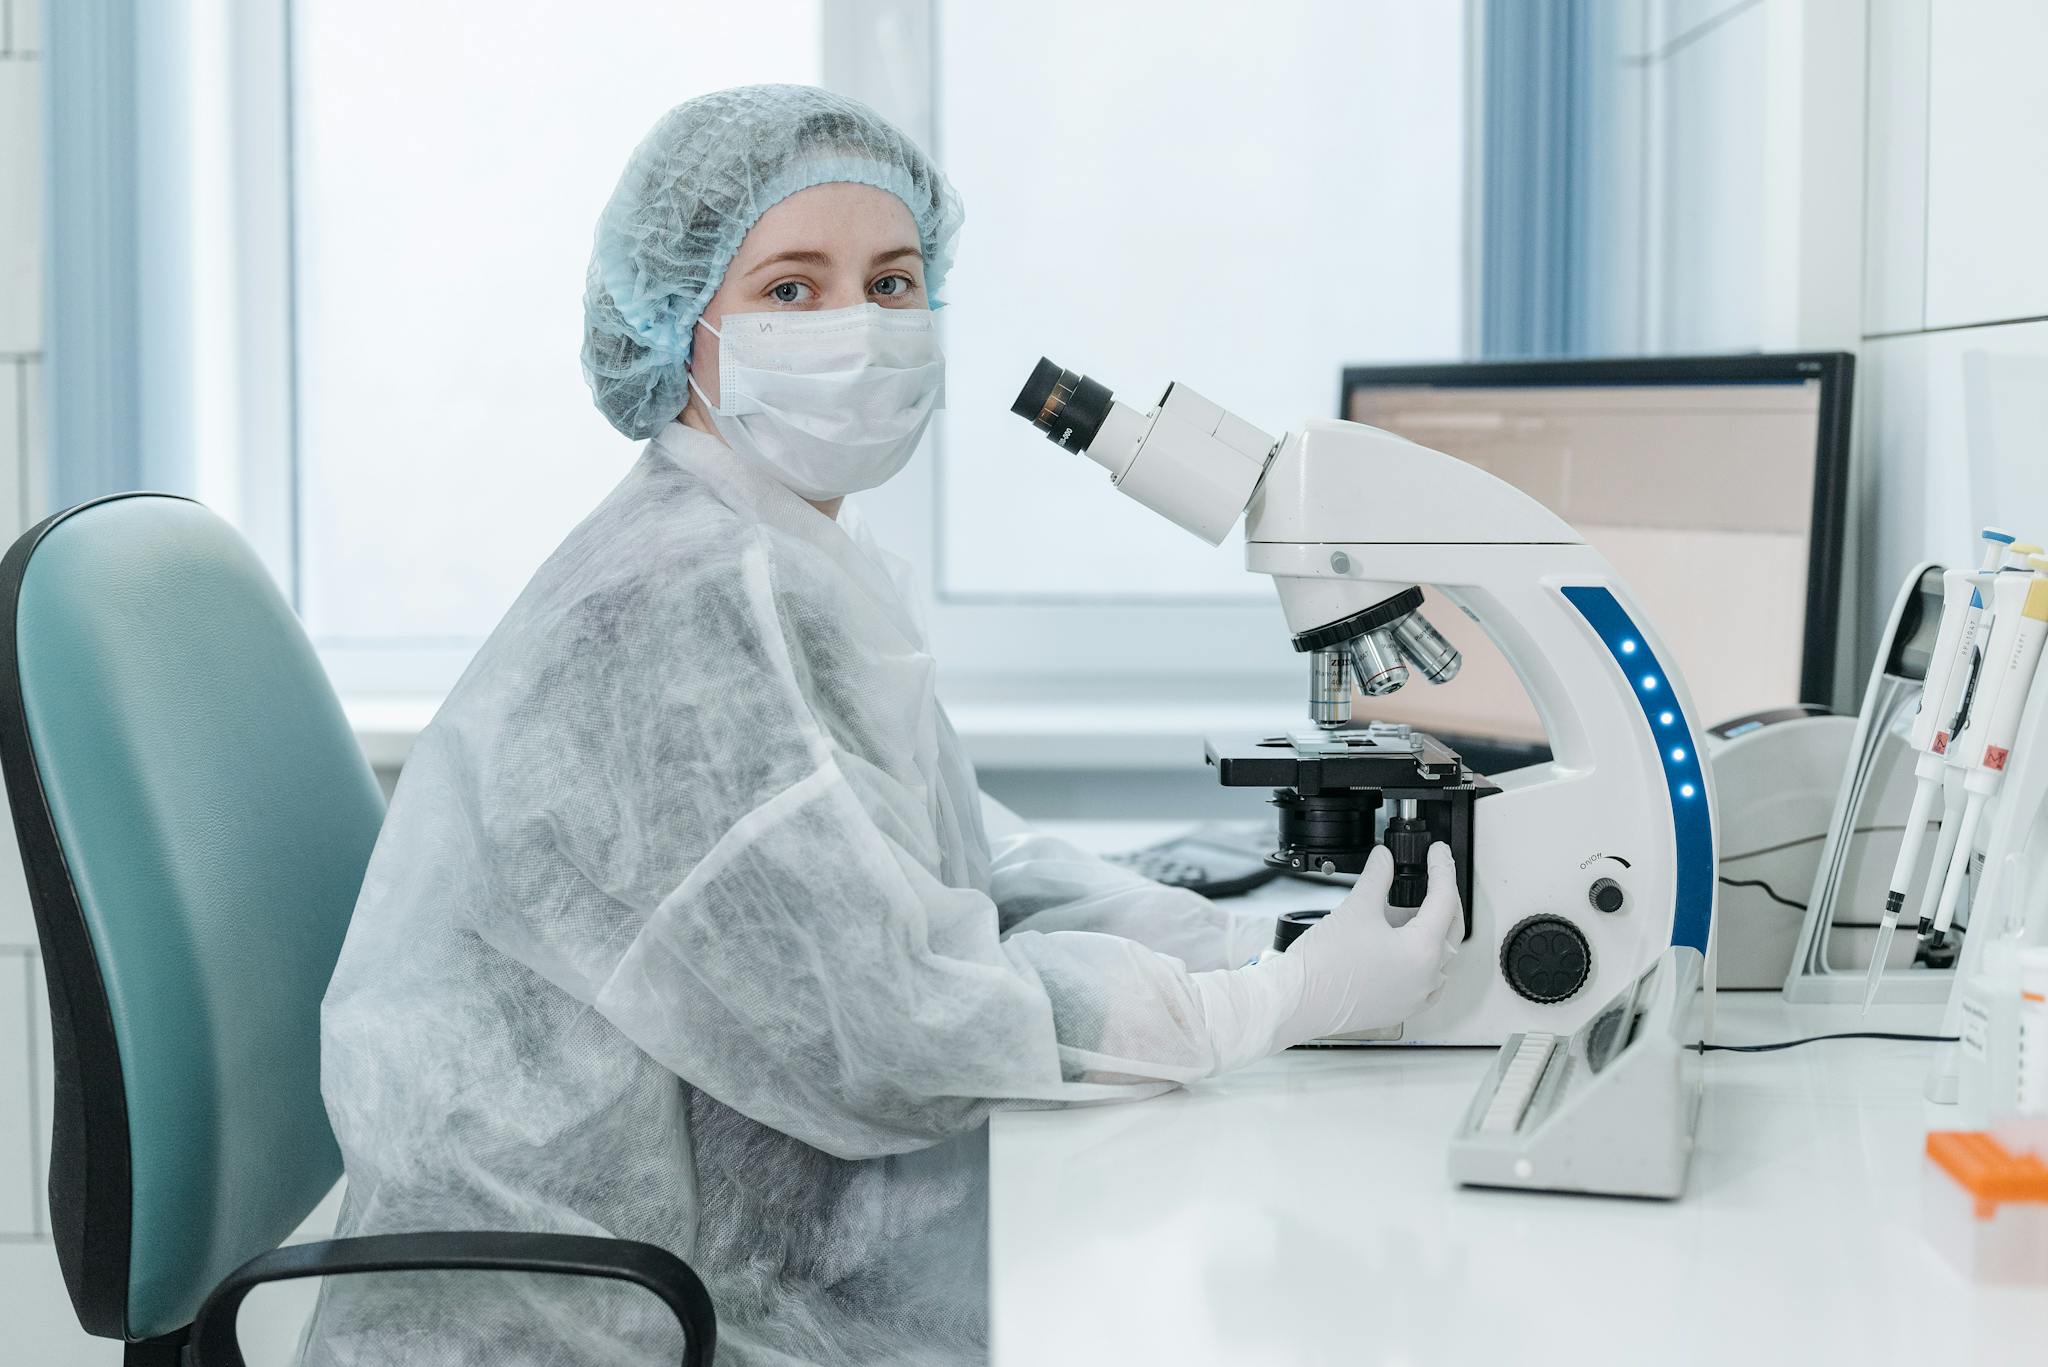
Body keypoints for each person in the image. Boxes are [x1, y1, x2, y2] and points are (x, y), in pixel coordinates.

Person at [301, 84, 1461, 1367]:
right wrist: (1266, 1002)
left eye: (895, 282)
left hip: (715, 1249)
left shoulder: (775, 550)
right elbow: (889, 1031)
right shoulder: (685, 607)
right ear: (682, 325)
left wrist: (1231, 939)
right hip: (601, 1322)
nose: (858, 327)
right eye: (791, 290)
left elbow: (939, 862)